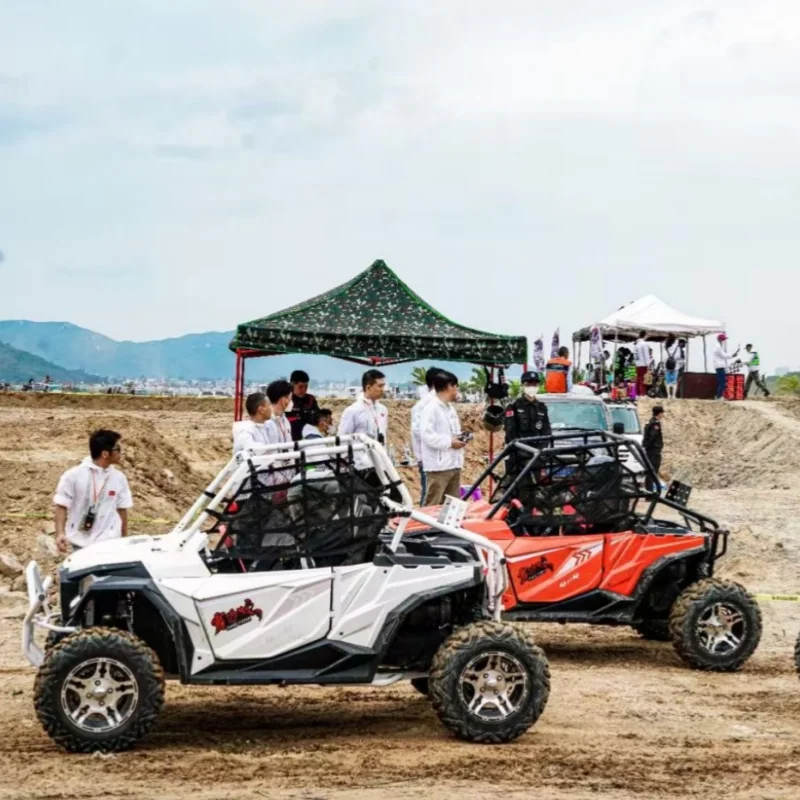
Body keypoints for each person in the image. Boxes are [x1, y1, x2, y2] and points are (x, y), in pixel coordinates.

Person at [53, 429, 133, 553]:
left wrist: (124, 540)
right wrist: (60, 534)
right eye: (117, 449)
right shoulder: (73, 476)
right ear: (105, 454)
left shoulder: (119, 478)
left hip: (110, 543)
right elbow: (61, 505)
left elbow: (122, 509)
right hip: (80, 543)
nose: (120, 453)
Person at [420, 371, 467, 505]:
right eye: (456, 386)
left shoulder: (450, 409)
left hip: (454, 463)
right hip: (438, 466)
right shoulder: (431, 409)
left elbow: (453, 431)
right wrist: (450, 443)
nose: (457, 390)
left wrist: (460, 438)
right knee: (433, 504)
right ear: (449, 386)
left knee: (452, 505)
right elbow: (427, 435)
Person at [338, 369, 389, 477]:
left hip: (381, 465)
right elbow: (342, 439)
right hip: (361, 468)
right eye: (380, 386)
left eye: (383, 386)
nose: (383, 389)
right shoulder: (352, 411)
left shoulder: (383, 410)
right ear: (368, 387)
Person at [411, 367, 440, 503]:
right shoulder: (422, 406)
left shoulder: (441, 404)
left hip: (442, 458)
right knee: (429, 495)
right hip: (429, 459)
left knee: (438, 496)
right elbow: (419, 433)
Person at [504, 372, 552, 445]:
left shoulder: (542, 407)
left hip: (537, 450)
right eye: (528, 384)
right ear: (522, 385)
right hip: (519, 449)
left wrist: (541, 448)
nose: (532, 387)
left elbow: (546, 431)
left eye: (534, 384)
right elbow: (510, 433)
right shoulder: (513, 406)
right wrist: (520, 449)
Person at [286, 370, 320, 441]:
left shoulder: (311, 399)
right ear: (292, 385)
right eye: (300, 387)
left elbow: (318, 416)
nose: (304, 390)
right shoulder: (286, 400)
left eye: (306, 386)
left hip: (309, 436)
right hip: (291, 438)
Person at [642, 406, 665, 492]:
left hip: (650, 450)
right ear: (659, 413)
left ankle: (649, 489)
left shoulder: (649, 422)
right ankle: (650, 491)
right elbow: (652, 437)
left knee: (650, 470)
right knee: (653, 470)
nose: (663, 415)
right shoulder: (655, 424)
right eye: (662, 413)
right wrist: (650, 447)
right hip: (653, 450)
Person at [712, 334, 739, 400]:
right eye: (722, 339)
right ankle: (719, 396)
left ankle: (719, 396)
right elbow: (723, 355)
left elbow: (724, 355)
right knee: (722, 382)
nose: (723, 341)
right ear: (719, 339)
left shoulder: (719, 346)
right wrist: (732, 355)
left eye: (724, 339)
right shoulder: (718, 347)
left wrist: (732, 355)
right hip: (719, 366)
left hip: (719, 366)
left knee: (722, 382)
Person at [634, 331, 650, 397]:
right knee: (643, 379)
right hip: (643, 364)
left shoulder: (636, 344)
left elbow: (635, 355)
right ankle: (642, 394)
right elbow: (646, 355)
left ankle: (637, 393)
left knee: (638, 379)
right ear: (645, 335)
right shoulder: (644, 344)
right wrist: (648, 363)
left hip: (637, 364)